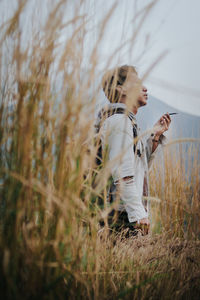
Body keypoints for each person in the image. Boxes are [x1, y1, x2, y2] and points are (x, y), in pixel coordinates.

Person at [95, 65, 171, 237]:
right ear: (120, 89)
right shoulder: (119, 122)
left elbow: (138, 169)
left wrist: (155, 136)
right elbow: (123, 174)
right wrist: (139, 214)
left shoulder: (125, 122)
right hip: (119, 219)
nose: (145, 88)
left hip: (124, 215)